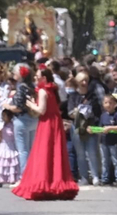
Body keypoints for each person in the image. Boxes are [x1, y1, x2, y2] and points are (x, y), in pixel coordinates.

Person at [12, 65, 78, 201]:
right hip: (55, 122)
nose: (35, 78)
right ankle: (57, 183)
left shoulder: (43, 91)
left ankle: (44, 184)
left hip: (46, 123)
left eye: (37, 76)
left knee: (44, 153)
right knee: (55, 153)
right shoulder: (53, 90)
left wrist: (30, 104)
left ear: (44, 77)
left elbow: (41, 110)